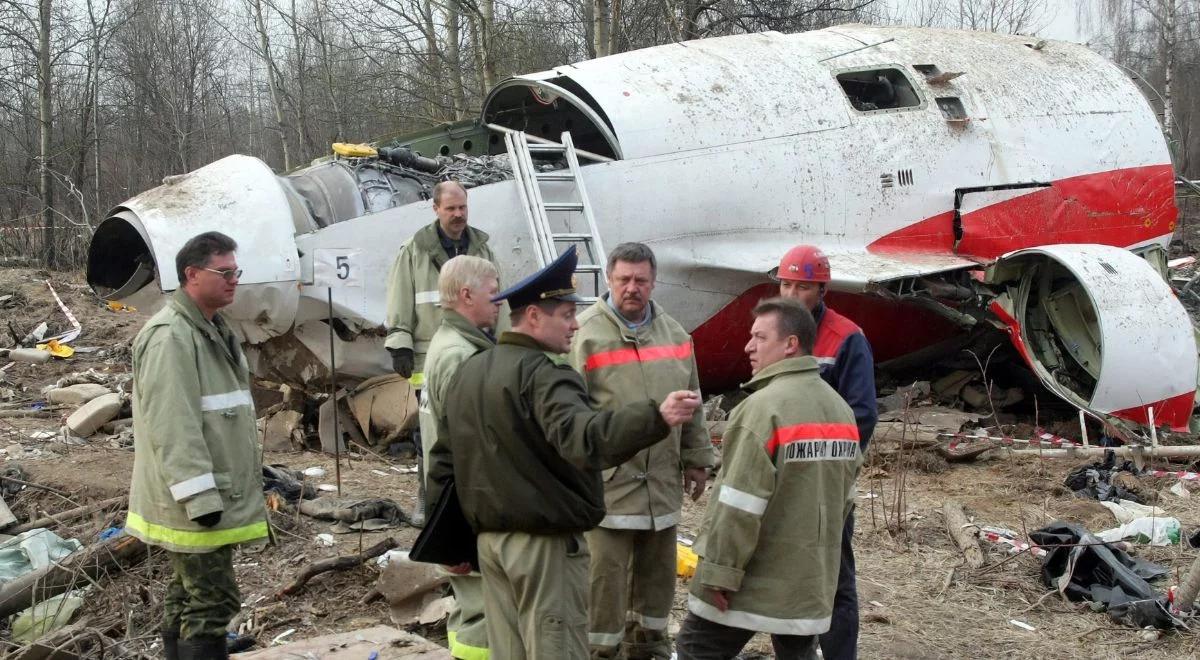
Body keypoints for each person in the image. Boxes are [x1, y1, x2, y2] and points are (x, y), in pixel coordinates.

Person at [432, 245, 702, 660]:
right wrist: (657, 417)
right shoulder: (546, 376)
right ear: (535, 317)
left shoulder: (474, 369)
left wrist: (449, 545)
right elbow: (586, 439)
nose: (576, 325)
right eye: (566, 315)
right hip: (543, 551)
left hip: (492, 546)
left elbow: (444, 462)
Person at [676, 298, 861, 660]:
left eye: (760, 337)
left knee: (695, 651)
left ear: (791, 344)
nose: (748, 346)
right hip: (808, 585)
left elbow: (737, 506)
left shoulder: (761, 410)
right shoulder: (841, 411)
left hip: (751, 580)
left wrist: (717, 574)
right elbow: (845, 501)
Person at [125, 232, 268, 660]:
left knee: (186, 594)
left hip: (211, 494)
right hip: (195, 503)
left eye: (235, 271)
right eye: (224, 272)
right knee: (213, 599)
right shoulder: (171, 336)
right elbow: (173, 424)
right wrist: (199, 495)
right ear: (192, 275)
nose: (233, 280)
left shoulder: (210, 328)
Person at [568, 242, 713, 659]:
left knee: (655, 589)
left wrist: (698, 457)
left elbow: (694, 401)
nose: (632, 288)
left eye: (641, 280)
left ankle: (648, 650)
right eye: (624, 280)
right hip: (607, 491)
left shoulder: (675, 335)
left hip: (661, 490)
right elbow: (569, 418)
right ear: (610, 279)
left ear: (653, 282)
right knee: (604, 588)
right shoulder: (585, 336)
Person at [774, 244, 878, 660]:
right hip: (782, 480)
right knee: (783, 577)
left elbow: (862, 415)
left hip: (827, 485)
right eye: (784, 283)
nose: (790, 293)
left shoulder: (846, 338)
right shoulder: (773, 333)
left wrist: (827, 465)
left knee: (835, 580)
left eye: (801, 286)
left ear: (821, 290)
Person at [384, 180, 502, 524]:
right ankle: (427, 495)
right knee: (429, 432)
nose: (458, 215)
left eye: (462, 207)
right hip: (427, 356)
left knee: (476, 426)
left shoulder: (482, 249)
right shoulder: (415, 249)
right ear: (435, 209)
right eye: (450, 208)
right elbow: (400, 296)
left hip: (477, 352)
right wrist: (399, 340)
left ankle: (472, 497)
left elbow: (498, 298)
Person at [422, 255, 503, 660]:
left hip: (458, 504)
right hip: (467, 509)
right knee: (481, 618)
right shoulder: (461, 356)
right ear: (467, 295)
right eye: (493, 293)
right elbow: (464, 451)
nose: (500, 300)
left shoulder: (455, 344)